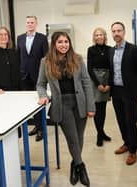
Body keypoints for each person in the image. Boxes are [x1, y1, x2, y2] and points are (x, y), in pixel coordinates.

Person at [37, 31, 95, 186]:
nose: (64, 45)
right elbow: (40, 84)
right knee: (72, 138)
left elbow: (87, 83)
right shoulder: (46, 61)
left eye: (66, 42)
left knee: (79, 137)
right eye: (60, 42)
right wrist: (42, 96)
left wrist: (91, 106)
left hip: (80, 103)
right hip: (61, 105)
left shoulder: (78, 59)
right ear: (54, 44)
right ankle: (81, 168)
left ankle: (74, 164)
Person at [109, 21, 137, 165]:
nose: (116, 33)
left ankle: (133, 151)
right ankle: (126, 143)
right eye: (114, 31)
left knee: (130, 121)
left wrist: (135, 89)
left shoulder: (134, 50)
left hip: (129, 92)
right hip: (116, 90)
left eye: (119, 31)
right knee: (121, 120)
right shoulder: (111, 51)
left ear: (124, 32)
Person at [17, 15, 49, 141]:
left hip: (38, 76)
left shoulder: (42, 38)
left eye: (32, 22)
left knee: (40, 102)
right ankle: (36, 126)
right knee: (31, 103)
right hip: (24, 76)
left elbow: (46, 57)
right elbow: (18, 56)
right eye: (28, 22)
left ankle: (41, 129)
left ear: (36, 24)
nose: (30, 24)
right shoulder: (20, 38)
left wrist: (45, 75)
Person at [87, 27, 112, 147]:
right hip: (95, 80)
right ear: (94, 37)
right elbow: (89, 69)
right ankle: (99, 134)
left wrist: (108, 84)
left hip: (107, 79)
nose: (98, 37)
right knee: (97, 109)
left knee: (103, 108)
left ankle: (102, 132)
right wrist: (98, 84)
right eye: (96, 35)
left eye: (101, 35)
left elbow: (113, 67)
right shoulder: (91, 50)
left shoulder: (110, 49)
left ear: (105, 36)